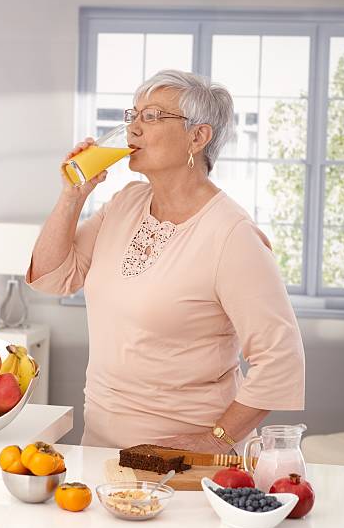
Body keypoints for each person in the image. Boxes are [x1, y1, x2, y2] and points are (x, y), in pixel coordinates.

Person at [26, 69, 305, 455]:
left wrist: (216, 439)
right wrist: (72, 195)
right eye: (133, 115)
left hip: (182, 460)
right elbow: (50, 277)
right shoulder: (125, 203)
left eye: (152, 116)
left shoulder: (232, 236)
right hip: (100, 447)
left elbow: (281, 359)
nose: (133, 129)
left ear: (198, 136)